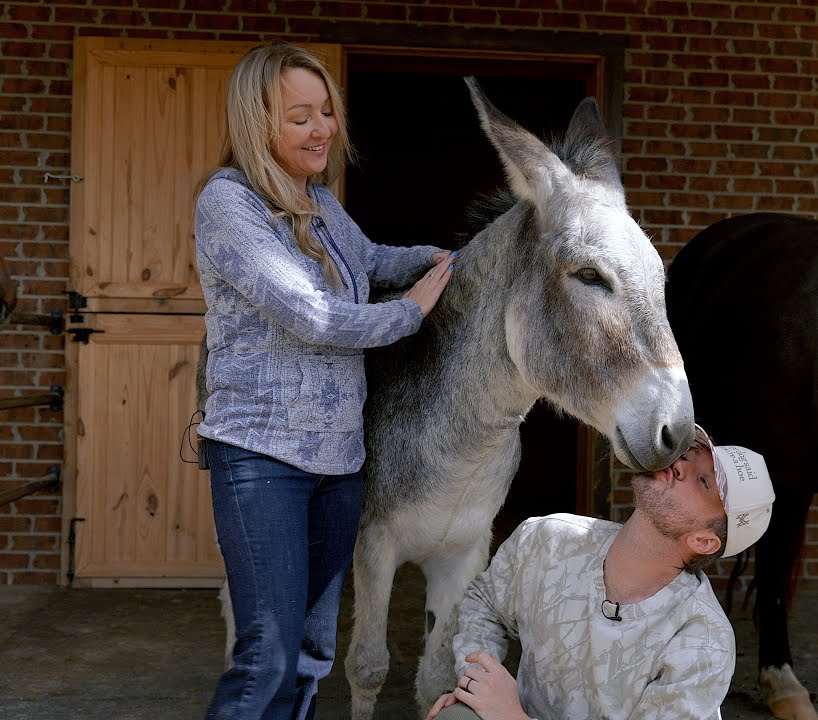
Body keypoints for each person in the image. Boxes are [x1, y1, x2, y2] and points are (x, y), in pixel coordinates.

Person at [194, 43, 454, 720]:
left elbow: (370, 259)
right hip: (263, 458)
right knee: (268, 658)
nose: (323, 129)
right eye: (300, 116)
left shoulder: (318, 201)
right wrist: (411, 312)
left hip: (338, 461)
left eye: (327, 112)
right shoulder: (229, 203)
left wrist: (444, 260)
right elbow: (312, 315)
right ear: (257, 123)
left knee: (311, 655)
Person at [426, 425, 775, 720]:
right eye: (689, 454)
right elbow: (484, 602)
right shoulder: (548, 540)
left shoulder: (703, 642)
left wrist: (510, 715)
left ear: (703, 541)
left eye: (703, 482)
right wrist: (481, 679)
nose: (679, 463)